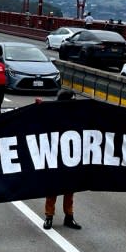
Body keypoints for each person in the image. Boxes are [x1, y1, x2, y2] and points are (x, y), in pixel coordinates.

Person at [43, 90, 81, 230]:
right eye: (72, 100)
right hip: (55, 156)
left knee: (70, 189)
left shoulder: (77, 115)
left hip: (71, 157)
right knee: (53, 188)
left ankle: (69, 217)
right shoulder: (53, 114)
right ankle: (49, 217)